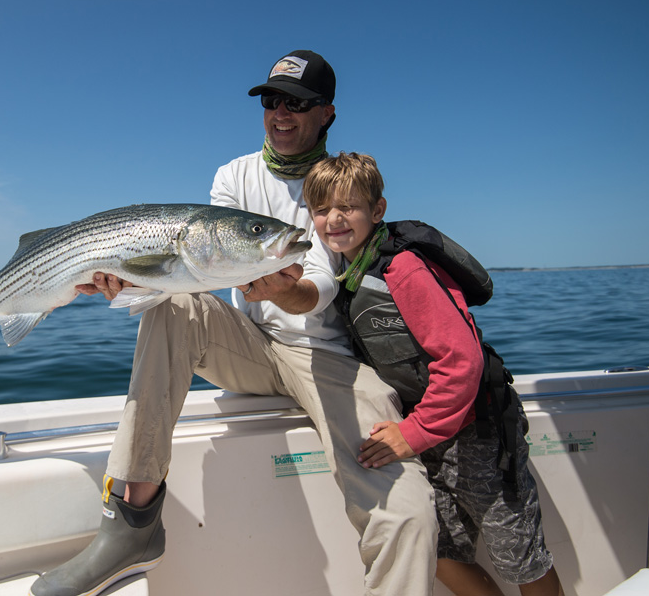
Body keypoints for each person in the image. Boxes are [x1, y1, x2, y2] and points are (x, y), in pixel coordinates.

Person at [30, 50, 438, 596]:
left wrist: (288, 290)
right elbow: (193, 269)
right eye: (272, 100)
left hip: (329, 359)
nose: (282, 112)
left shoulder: (339, 187)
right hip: (252, 344)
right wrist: (130, 276)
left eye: (298, 102)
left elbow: (317, 284)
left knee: (407, 512)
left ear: (327, 114)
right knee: (172, 306)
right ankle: (133, 523)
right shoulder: (234, 175)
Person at [301, 151, 565, 596]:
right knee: (440, 551)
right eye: (322, 209)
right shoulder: (349, 269)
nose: (335, 219)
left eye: (348, 206)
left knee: (518, 554)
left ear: (377, 210)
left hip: (476, 431)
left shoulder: (404, 269)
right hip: (428, 436)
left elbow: (463, 362)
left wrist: (415, 433)